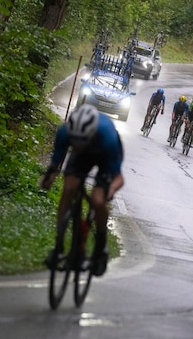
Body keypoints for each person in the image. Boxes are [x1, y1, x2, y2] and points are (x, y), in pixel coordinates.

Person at [40, 105, 125, 276]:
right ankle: (59, 246)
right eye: (74, 141)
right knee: (69, 188)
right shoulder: (65, 132)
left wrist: (110, 190)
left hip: (103, 155)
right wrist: (48, 177)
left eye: (81, 141)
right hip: (82, 157)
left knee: (97, 200)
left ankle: (101, 246)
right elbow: (55, 164)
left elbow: (119, 178)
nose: (77, 145)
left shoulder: (107, 138)